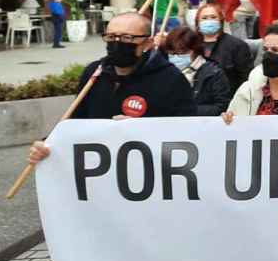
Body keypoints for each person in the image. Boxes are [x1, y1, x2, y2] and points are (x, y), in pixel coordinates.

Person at [27, 12, 197, 164]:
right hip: (99, 172)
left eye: (126, 38)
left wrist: (145, 129)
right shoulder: (94, 74)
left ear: (148, 43)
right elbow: (76, 122)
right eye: (111, 37)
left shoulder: (170, 78)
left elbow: (188, 130)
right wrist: (48, 144)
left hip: (150, 170)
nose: (117, 43)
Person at [160, 26, 231, 117]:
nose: (176, 57)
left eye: (182, 53)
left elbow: (222, 106)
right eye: (172, 54)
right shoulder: (165, 72)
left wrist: (188, 110)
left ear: (195, 50)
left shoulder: (214, 73)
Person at [195, 2, 253, 98]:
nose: (209, 21)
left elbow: (245, 79)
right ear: (197, 23)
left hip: (228, 100)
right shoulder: (191, 45)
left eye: (213, 17)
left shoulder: (237, 46)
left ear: (220, 21)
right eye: (204, 18)